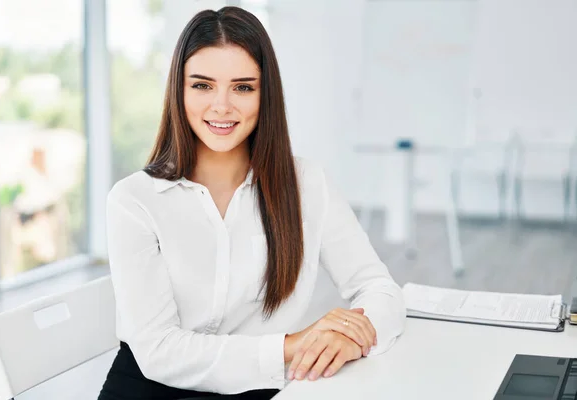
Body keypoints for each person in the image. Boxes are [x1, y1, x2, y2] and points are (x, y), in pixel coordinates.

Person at [98, 6, 405, 400]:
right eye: (202, 85)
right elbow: (159, 352)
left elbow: (378, 287)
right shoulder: (134, 200)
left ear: (265, 94)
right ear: (178, 90)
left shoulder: (307, 184)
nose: (222, 106)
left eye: (243, 87)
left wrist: (353, 337)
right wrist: (295, 345)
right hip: (152, 387)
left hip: (258, 387)